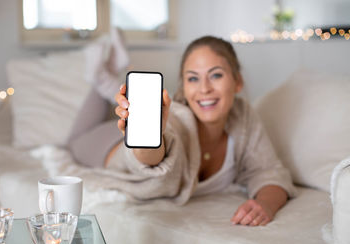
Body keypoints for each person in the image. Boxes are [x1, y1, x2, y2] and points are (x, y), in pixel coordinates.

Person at [68, 35, 297, 227]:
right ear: (184, 88)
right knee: (73, 141)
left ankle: (108, 71)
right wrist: (151, 138)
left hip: (126, 137)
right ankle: (99, 75)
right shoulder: (176, 119)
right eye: (193, 79)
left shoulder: (243, 116)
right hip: (107, 146)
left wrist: (266, 203)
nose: (204, 89)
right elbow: (151, 159)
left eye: (216, 75)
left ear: (237, 82)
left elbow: (269, 171)